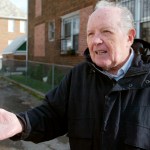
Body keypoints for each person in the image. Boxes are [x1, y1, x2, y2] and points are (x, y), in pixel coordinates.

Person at [0, 0, 150, 149]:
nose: (95, 41)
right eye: (90, 34)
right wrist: (20, 123)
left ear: (129, 37)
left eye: (106, 32)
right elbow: (52, 114)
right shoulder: (78, 76)